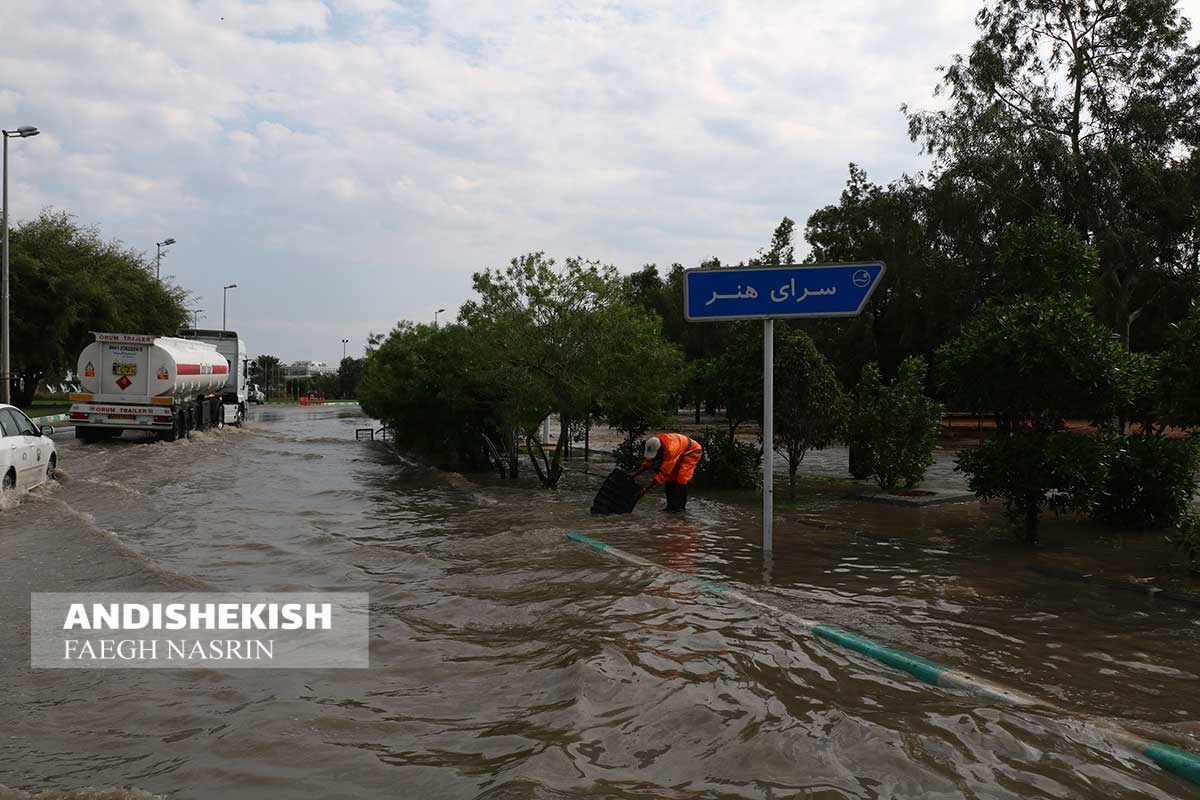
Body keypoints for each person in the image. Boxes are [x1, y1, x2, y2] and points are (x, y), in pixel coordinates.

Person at [633, 433, 703, 512]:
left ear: (659, 449)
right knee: (670, 479)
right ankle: (670, 507)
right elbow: (648, 463)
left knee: (681, 478)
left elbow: (663, 474)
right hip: (680, 452)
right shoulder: (654, 442)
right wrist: (633, 476)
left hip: (692, 452)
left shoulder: (670, 450)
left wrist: (645, 489)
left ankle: (680, 508)